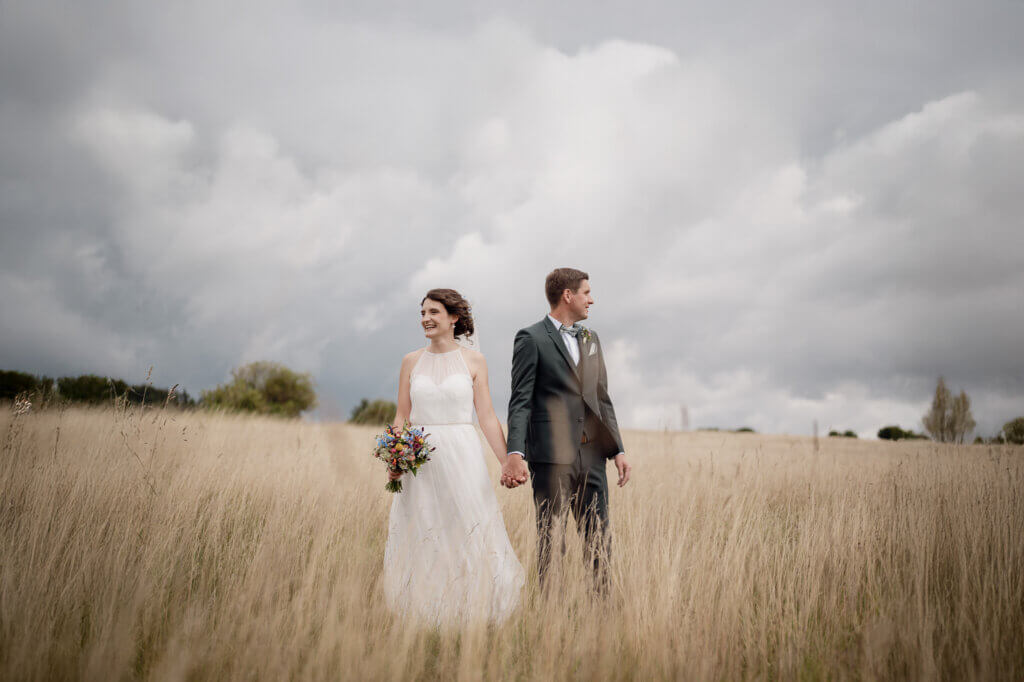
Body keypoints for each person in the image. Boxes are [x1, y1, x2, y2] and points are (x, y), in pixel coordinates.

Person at [382, 288, 524, 626]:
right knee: (425, 525)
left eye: (434, 312)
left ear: (454, 318)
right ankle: (425, 610)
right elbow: (402, 415)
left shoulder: (474, 361)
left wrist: (508, 460)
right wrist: (395, 458)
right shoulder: (410, 361)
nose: (426, 319)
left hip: (462, 453)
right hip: (420, 459)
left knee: (468, 524)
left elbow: (486, 416)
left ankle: (474, 607)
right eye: (422, 313)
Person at [504, 267, 632, 590]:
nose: (592, 299)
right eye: (587, 292)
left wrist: (617, 449)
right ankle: (550, 621)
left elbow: (602, 398)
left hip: (592, 457)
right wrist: (515, 452)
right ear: (568, 295)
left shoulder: (591, 339)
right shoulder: (530, 338)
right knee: (551, 542)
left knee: (600, 543)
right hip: (550, 459)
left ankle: (602, 619)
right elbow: (520, 401)